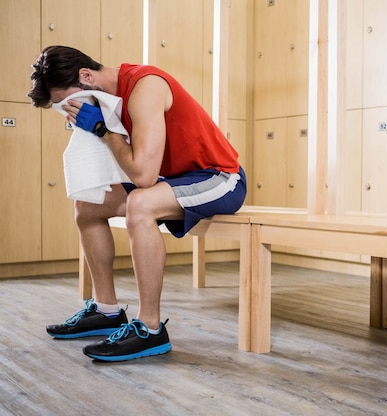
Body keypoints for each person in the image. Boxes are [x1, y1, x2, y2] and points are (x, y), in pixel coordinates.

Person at [28, 45, 247, 362]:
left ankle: (151, 327)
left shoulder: (145, 87)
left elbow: (144, 176)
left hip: (219, 177)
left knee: (140, 203)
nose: (69, 111)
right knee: (89, 204)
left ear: (86, 76)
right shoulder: (110, 99)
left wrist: (103, 130)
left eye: (68, 103)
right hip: (173, 180)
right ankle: (106, 310)